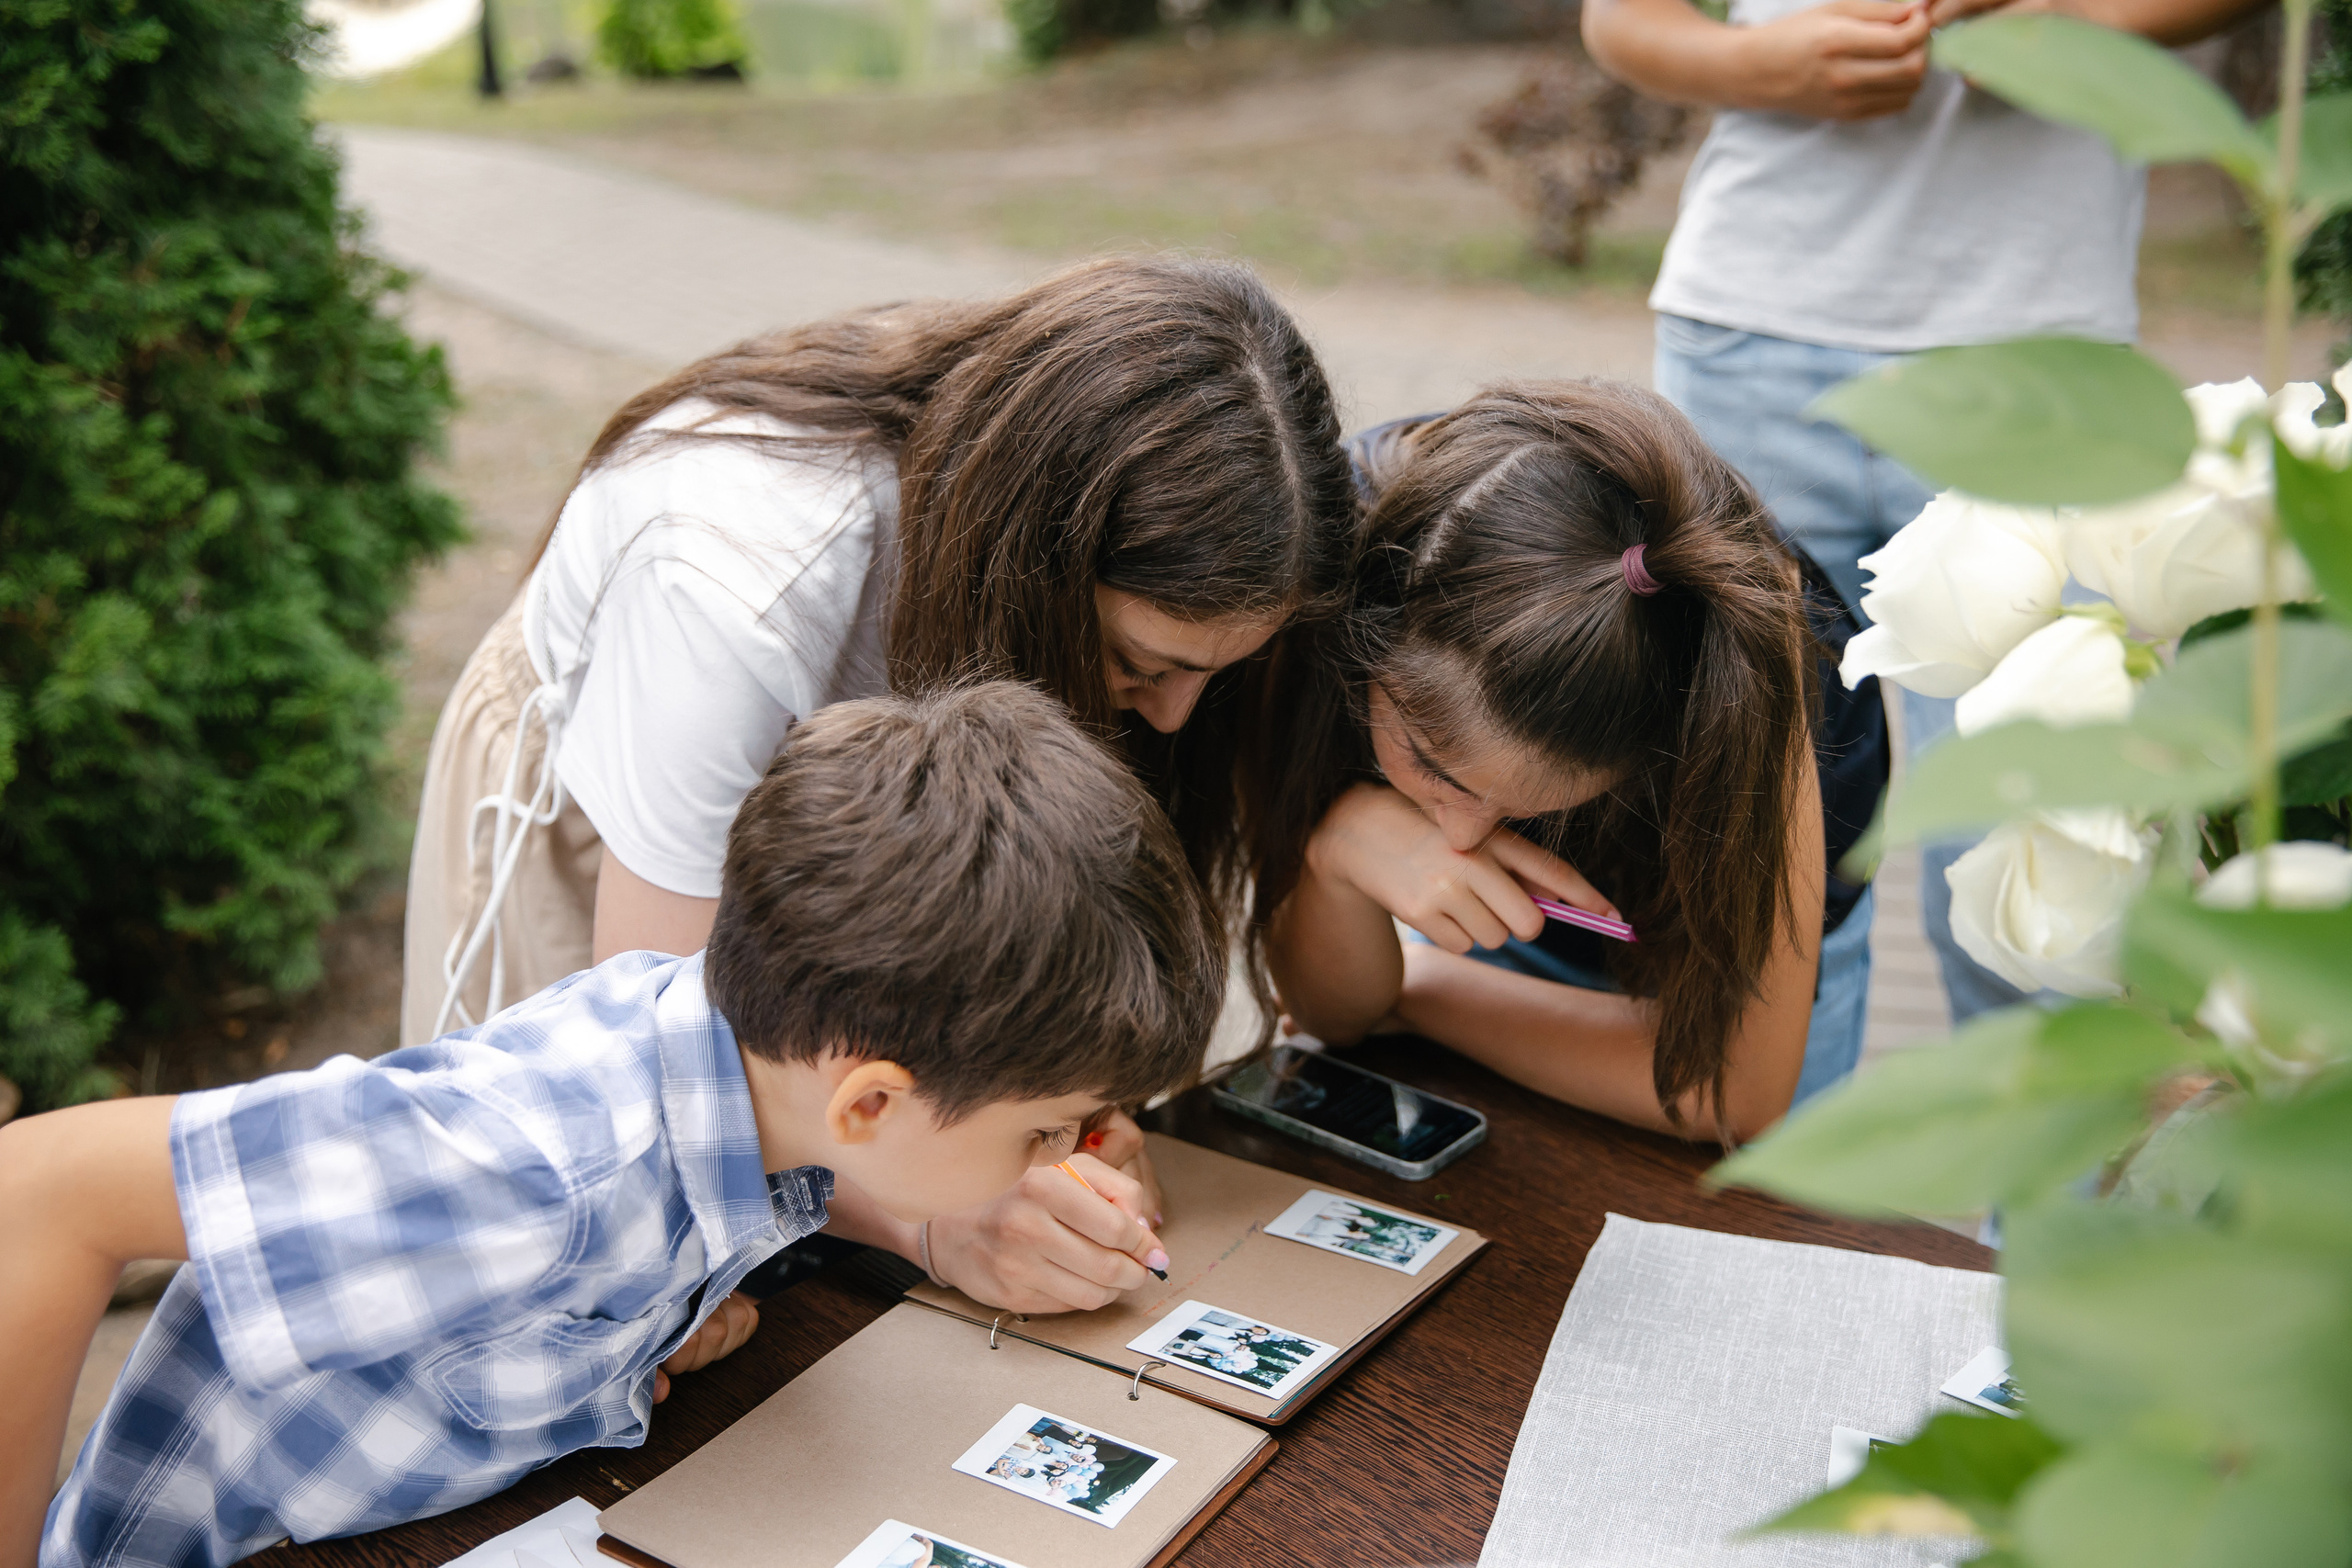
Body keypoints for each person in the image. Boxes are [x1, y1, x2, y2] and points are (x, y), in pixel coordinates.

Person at [11, 682, 1225, 1568]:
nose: (1065, 1154)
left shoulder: (759, 1095)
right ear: (871, 1098)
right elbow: (41, 1186)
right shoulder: (531, 1161)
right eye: (1048, 1127)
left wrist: (633, 1337)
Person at [401, 254, 1354, 1314]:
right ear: (1027, 561)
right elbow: (677, 1065)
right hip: (607, 834)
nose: (1168, 718)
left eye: (1212, 677)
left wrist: (1037, 1109)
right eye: (1141, 664)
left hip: (849, 858)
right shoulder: (732, 587)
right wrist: (937, 1219)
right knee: (582, 1257)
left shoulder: (1043, 500)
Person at [1581, 0, 2269, 1025]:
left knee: (2040, 843)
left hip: (2036, 357)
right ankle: (1770, 1183)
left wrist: (2069, 23)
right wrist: (1767, 63)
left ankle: (2033, 1181)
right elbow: (1621, 19)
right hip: (1749, 335)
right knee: (1752, 846)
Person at [1256, 383, 1887, 1143]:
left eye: (1535, 804)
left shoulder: (1749, 673)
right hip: (1505, 941)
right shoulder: (1335, 559)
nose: (1458, 839)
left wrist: (1415, 987)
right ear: (1370, 636)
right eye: (1432, 765)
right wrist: (1338, 850)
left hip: (1729, 973)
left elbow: (1734, 1093)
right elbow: (1334, 1015)